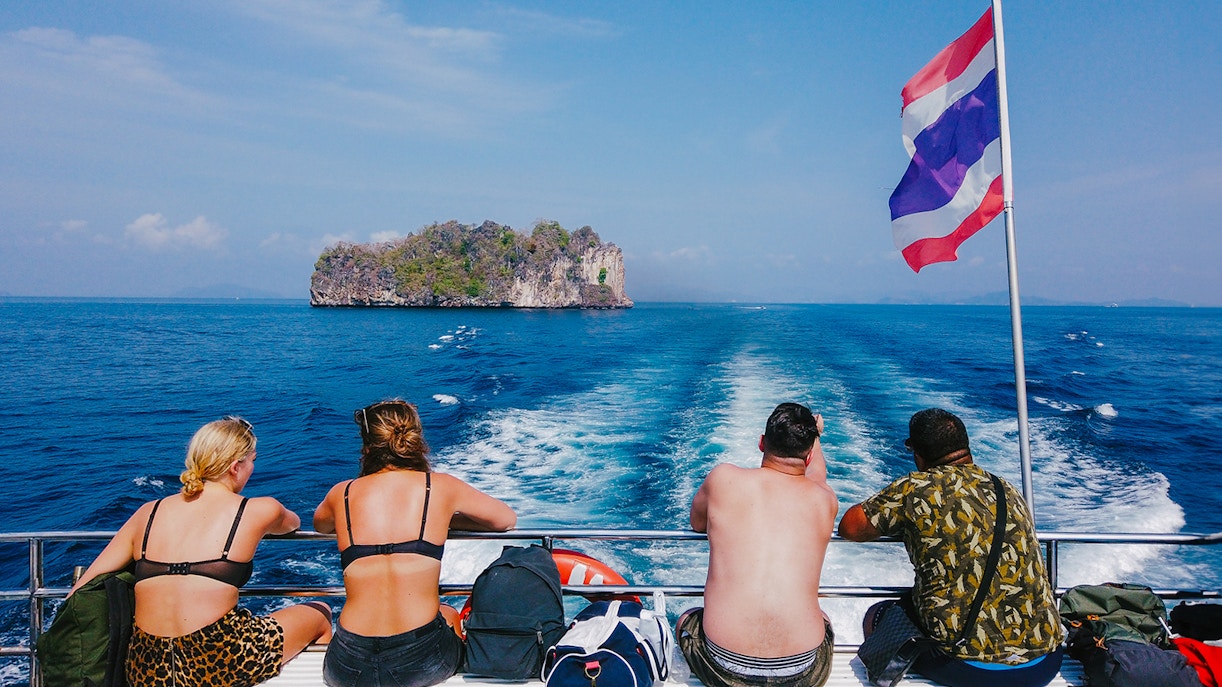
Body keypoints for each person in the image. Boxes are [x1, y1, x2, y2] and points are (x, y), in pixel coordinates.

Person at [68, 417, 332, 687]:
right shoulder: (260, 509)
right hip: (219, 658)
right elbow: (293, 523)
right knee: (320, 611)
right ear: (235, 467)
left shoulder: (148, 512)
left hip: (147, 663)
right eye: (252, 460)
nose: (253, 468)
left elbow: (83, 586)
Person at [838, 408, 1065, 687]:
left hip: (968, 668)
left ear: (917, 453)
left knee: (880, 614)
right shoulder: (1006, 489)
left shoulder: (915, 489)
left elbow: (849, 526)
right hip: (1044, 662)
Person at [314, 399, 517, 687]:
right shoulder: (440, 486)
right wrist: (444, 519)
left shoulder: (342, 494)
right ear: (414, 439)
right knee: (447, 613)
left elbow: (321, 524)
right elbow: (505, 519)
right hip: (418, 662)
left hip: (348, 664)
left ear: (367, 445)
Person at [676, 402, 837, 687]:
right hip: (801, 672)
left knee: (687, 619)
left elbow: (696, 523)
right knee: (822, 618)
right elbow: (816, 478)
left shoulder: (722, 478)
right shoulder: (825, 500)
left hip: (723, 668)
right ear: (809, 455)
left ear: (762, 443)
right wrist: (817, 437)